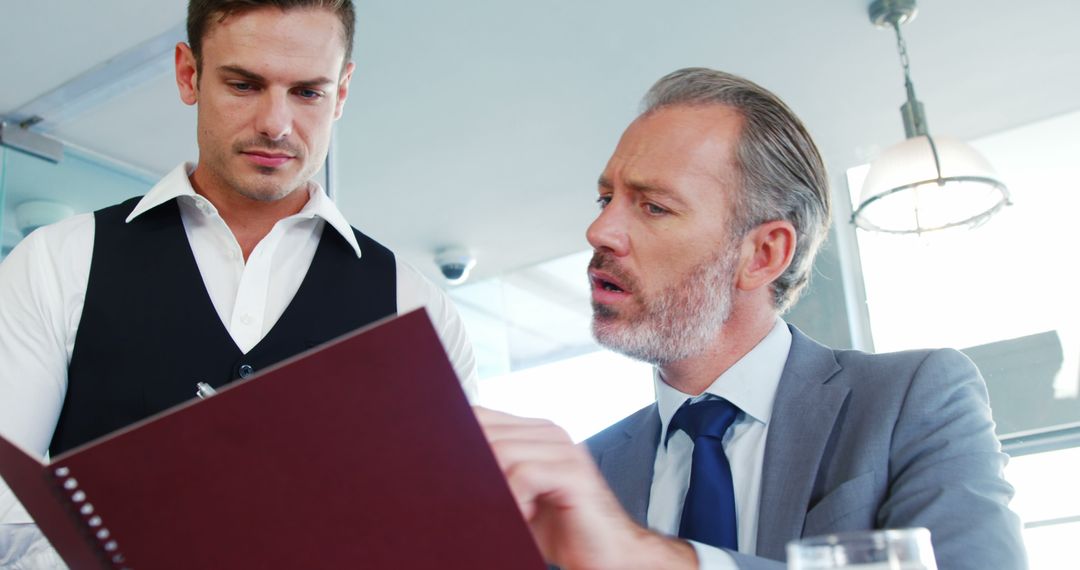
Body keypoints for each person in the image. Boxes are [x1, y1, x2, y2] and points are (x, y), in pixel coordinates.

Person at [477, 68, 1026, 569]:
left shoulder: (912, 398)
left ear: (762, 255)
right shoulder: (581, 478)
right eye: (605, 199)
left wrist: (650, 558)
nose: (600, 233)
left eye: (653, 206)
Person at [0, 0, 476, 540]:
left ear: (341, 92)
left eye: (308, 92)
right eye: (245, 85)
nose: (276, 125)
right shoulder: (59, 263)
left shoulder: (416, 307)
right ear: (189, 74)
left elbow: (444, 535)